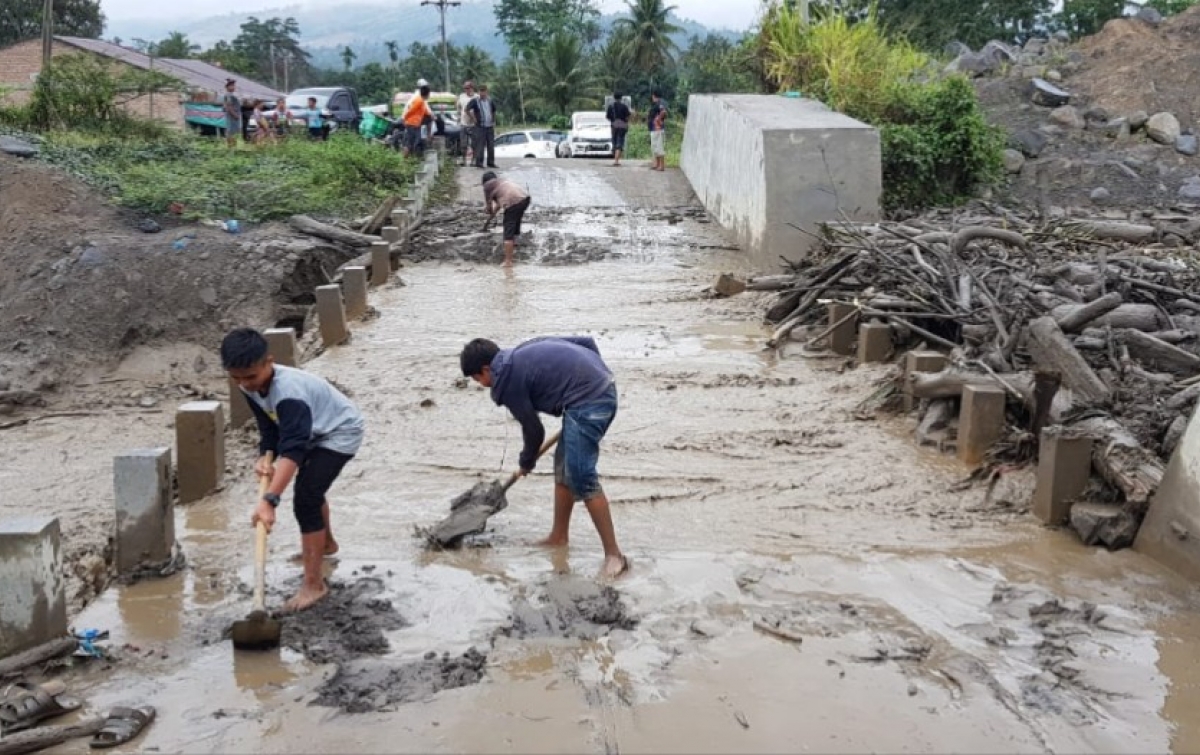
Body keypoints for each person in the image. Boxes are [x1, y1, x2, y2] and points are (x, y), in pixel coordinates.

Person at [459, 336, 628, 579]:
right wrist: (596, 376)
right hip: (590, 393)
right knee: (563, 470)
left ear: (486, 369)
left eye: (477, 379)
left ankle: (615, 556)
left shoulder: (507, 380)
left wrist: (526, 461)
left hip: (591, 402)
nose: (481, 384)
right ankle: (558, 537)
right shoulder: (519, 353)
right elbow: (587, 343)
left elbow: (534, 430)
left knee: (581, 475)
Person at [222, 328, 365, 612]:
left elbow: (294, 450)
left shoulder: (290, 395)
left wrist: (269, 500)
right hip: (312, 429)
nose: (245, 384)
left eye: (251, 377)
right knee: (311, 489)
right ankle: (326, 545)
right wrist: (265, 455)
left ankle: (314, 585)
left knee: (306, 497)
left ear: (269, 362)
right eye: (236, 377)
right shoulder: (247, 385)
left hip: (339, 431)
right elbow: (268, 425)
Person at [482, 170, 530, 267]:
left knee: (508, 228)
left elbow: (489, 207)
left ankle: (508, 261)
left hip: (512, 202)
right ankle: (514, 243)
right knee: (516, 220)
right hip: (525, 198)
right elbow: (500, 203)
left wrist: (489, 212)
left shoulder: (487, 186)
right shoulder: (501, 182)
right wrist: (492, 215)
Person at [467, 84, 497, 168]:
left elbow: (494, 110)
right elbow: (467, 109)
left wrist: (494, 120)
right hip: (480, 126)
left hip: (489, 126)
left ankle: (491, 162)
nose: (482, 93)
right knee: (480, 145)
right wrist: (473, 118)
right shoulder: (475, 101)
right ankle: (479, 163)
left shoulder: (490, 100)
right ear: (479, 92)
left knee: (491, 145)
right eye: (481, 91)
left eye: (484, 91)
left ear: (487, 92)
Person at [403, 83, 434, 157]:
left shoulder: (422, 101)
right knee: (410, 143)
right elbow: (410, 110)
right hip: (411, 124)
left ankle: (412, 159)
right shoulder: (419, 101)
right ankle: (404, 161)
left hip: (416, 124)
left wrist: (431, 116)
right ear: (427, 94)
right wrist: (405, 118)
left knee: (416, 142)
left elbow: (426, 112)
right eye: (429, 94)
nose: (429, 96)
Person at [605, 91, 632, 167]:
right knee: (620, 142)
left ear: (614, 97)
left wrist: (613, 121)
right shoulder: (624, 106)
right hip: (622, 126)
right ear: (621, 98)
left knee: (614, 141)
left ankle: (615, 157)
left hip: (614, 126)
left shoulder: (611, 106)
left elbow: (607, 117)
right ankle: (616, 161)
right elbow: (628, 116)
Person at [457, 80, 478, 166]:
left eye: (467, 88)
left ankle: (474, 160)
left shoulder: (477, 97)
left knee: (474, 144)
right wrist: (459, 117)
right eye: (465, 88)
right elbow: (458, 107)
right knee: (463, 144)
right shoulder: (461, 96)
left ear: (472, 88)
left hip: (474, 124)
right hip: (463, 123)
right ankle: (463, 160)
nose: (466, 90)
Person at [647, 89, 668, 172]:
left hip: (657, 129)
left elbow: (664, 112)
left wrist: (658, 119)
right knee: (655, 147)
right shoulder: (657, 103)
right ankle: (657, 164)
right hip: (653, 128)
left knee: (659, 147)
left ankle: (661, 166)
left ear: (654, 95)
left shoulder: (660, 103)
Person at [222, 78, 241, 149]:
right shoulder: (229, 95)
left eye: (234, 85)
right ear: (227, 87)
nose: (233, 87)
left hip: (232, 117)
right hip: (232, 118)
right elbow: (228, 107)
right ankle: (231, 148)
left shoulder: (230, 95)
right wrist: (235, 115)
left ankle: (232, 148)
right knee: (231, 134)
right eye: (232, 85)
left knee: (233, 133)